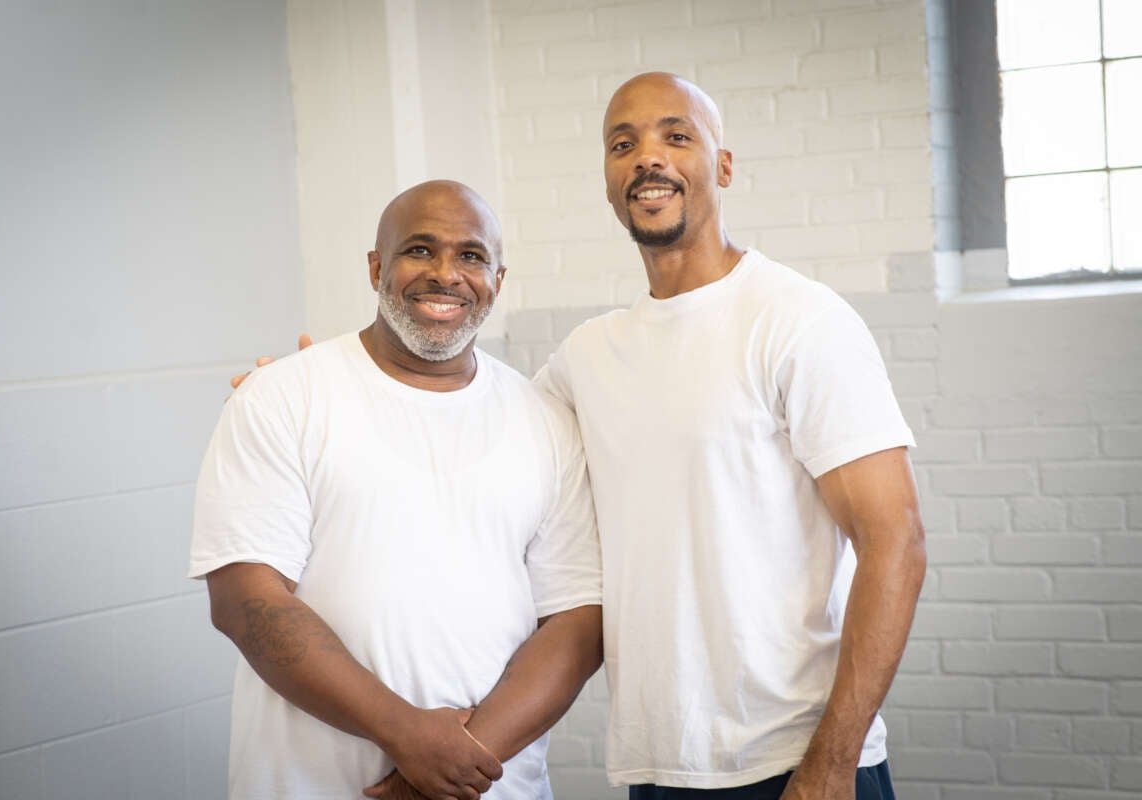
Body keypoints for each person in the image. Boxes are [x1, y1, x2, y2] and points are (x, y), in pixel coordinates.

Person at [240, 73, 926, 800]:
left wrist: (833, 761)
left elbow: (897, 541)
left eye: (677, 136)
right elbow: (456, 419)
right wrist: (320, 385)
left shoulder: (797, 321)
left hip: (794, 761)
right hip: (657, 767)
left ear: (722, 166)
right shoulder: (586, 358)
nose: (647, 158)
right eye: (622, 144)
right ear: (608, 183)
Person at [191, 180, 603, 800]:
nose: (446, 275)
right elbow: (246, 603)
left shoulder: (544, 418)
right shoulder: (282, 398)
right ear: (376, 267)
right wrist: (408, 736)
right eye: (419, 250)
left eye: (471, 256)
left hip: (493, 787)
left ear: (498, 277)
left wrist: (456, 764)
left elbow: (578, 619)